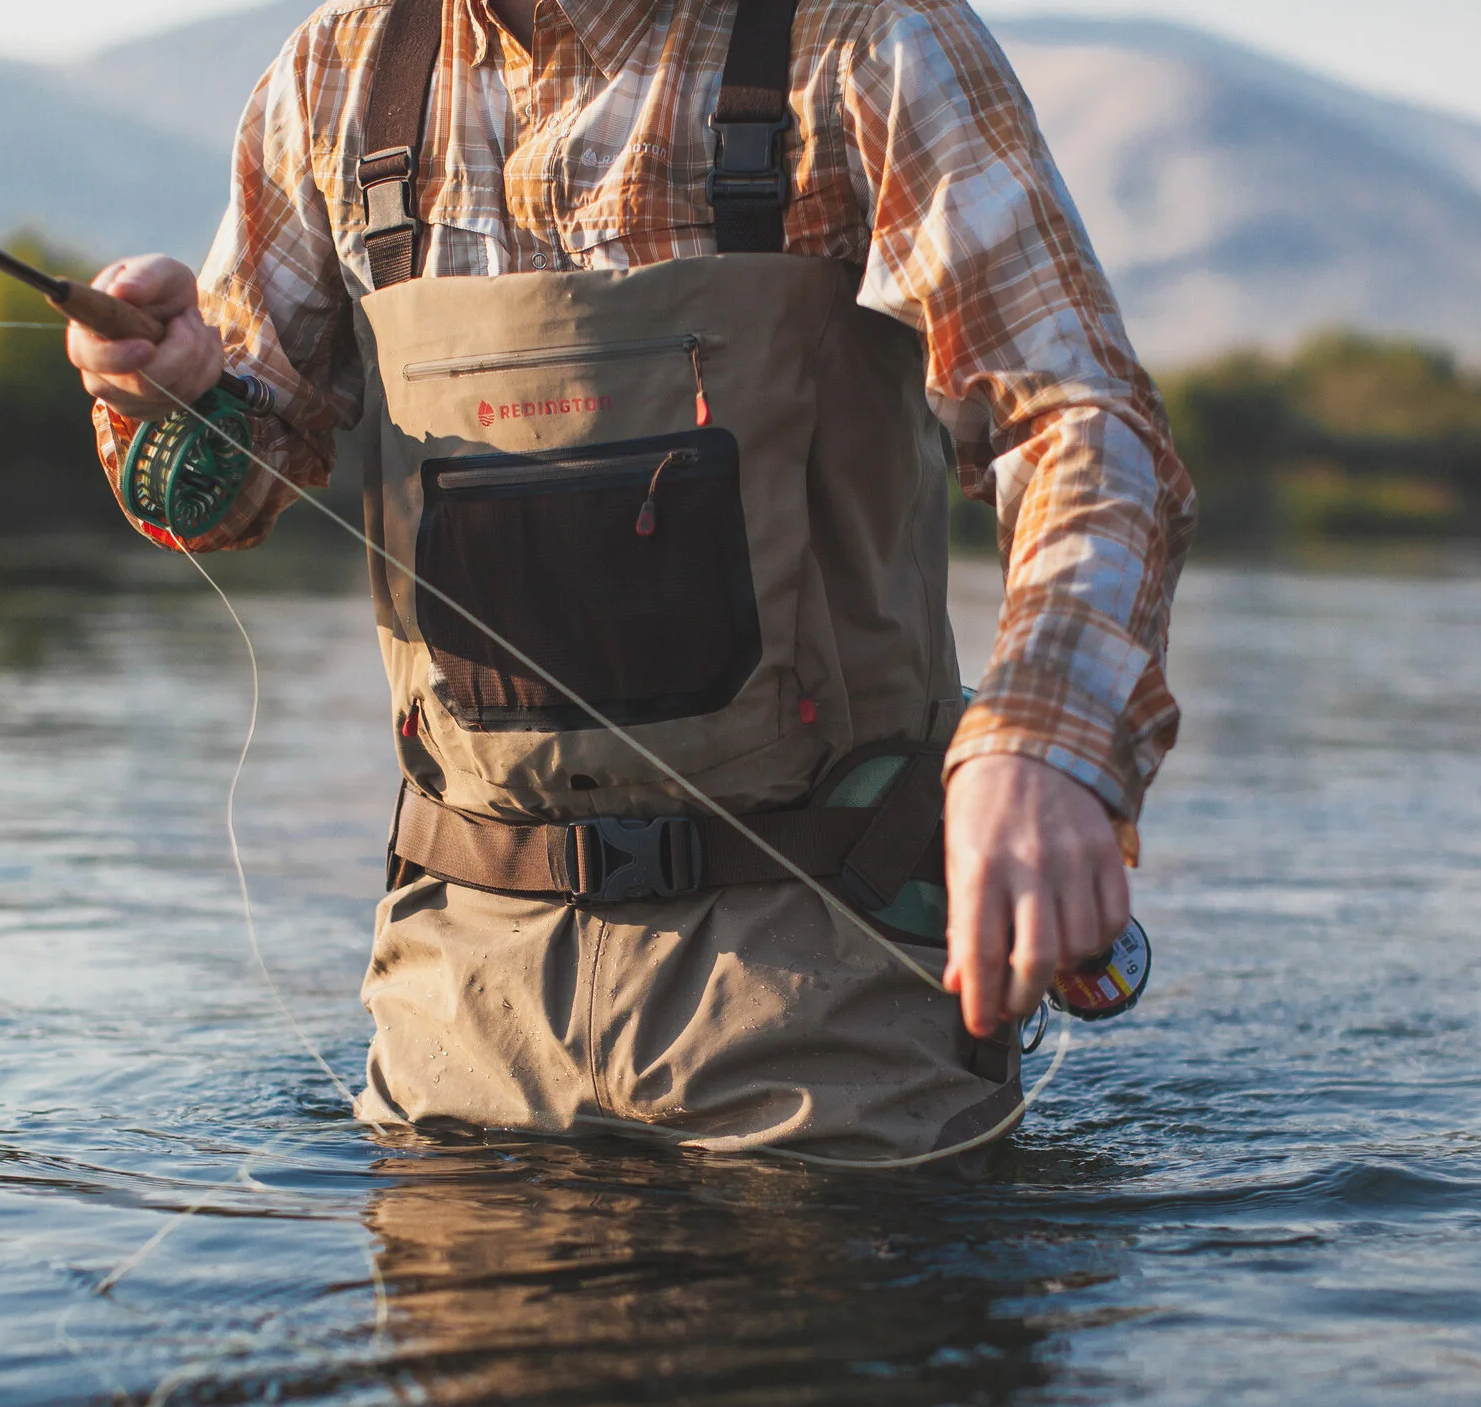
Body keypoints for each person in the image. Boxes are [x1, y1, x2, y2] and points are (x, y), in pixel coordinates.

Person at [67, 0, 1194, 1170]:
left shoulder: (864, 38)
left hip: (832, 994)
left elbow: (1084, 426)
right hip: (457, 1009)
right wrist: (166, 399)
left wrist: (1038, 745)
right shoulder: (335, 72)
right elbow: (220, 498)